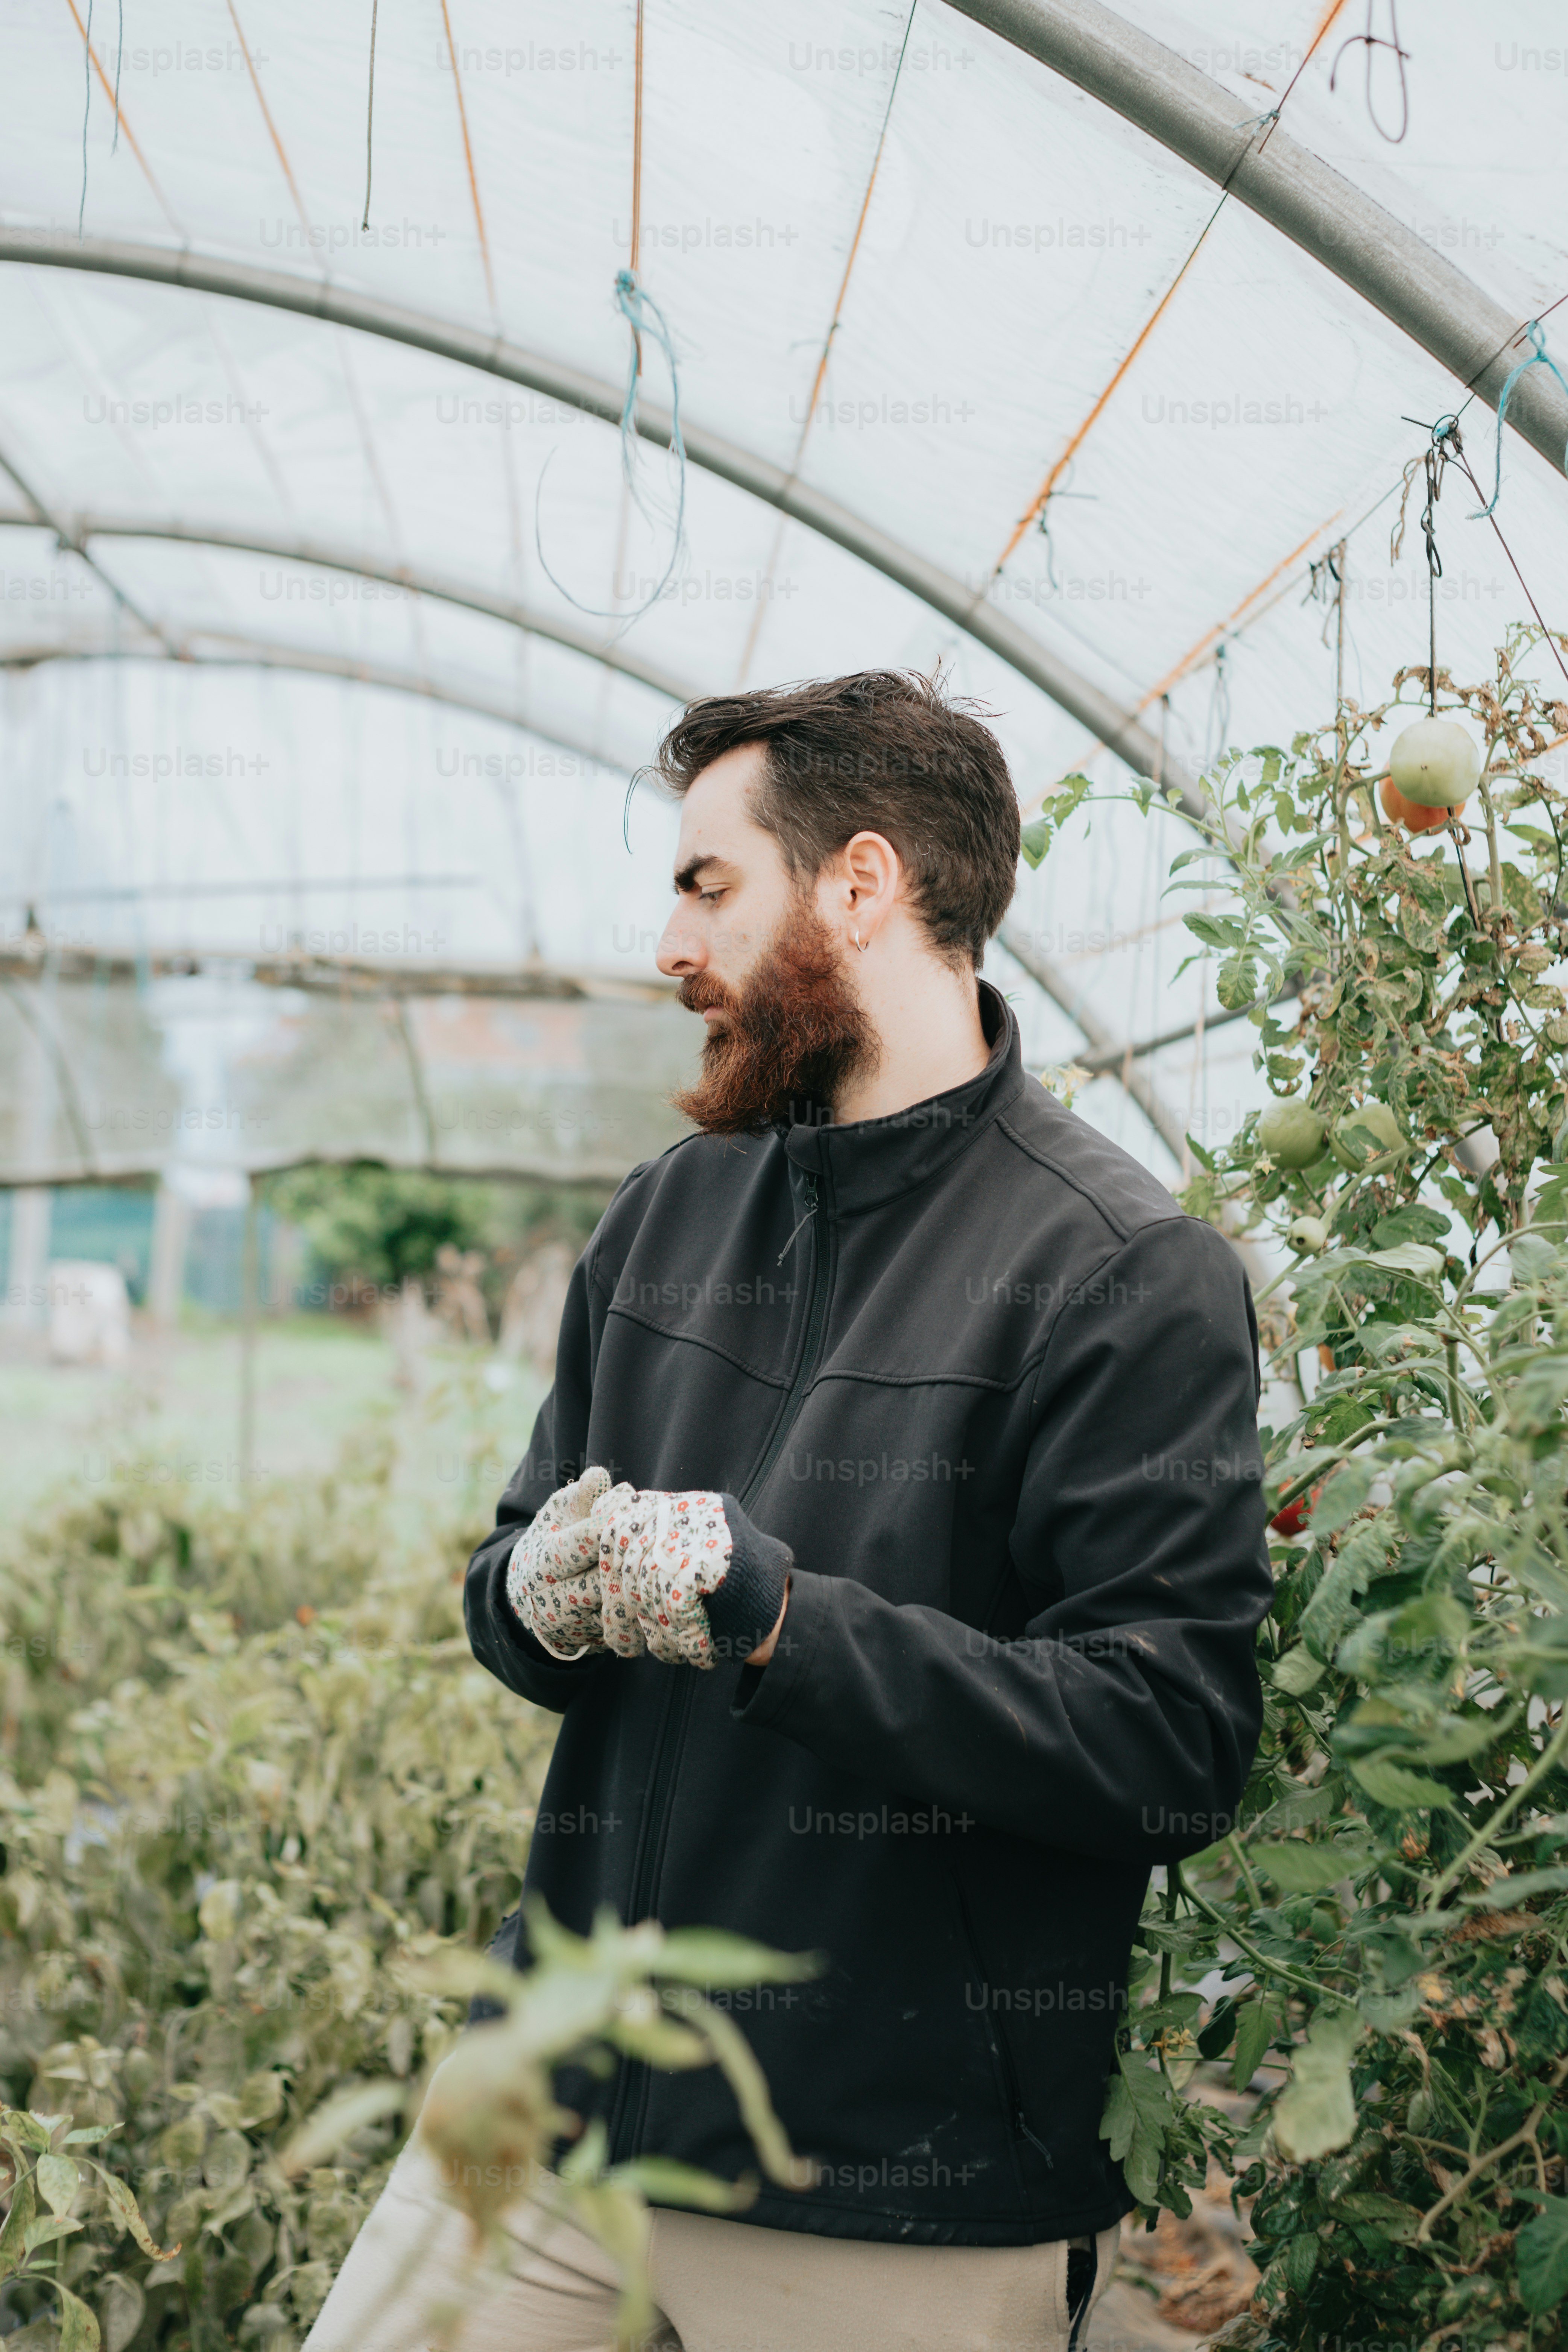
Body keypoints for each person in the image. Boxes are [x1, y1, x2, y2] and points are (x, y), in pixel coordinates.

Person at [305, 670, 1273, 2352]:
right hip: (557, 2107)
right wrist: (526, 1591)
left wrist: (776, 1617)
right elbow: (513, 1568)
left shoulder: (1115, 1274)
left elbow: (1165, 1743)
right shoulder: (671, 1210)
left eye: (705, 885)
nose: (670, 947)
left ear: (863, 884)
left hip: (883, 2180)